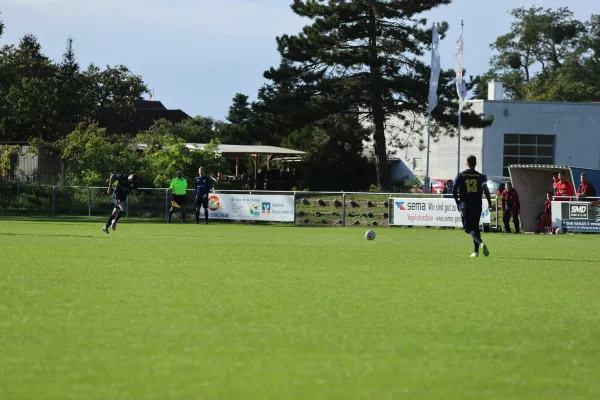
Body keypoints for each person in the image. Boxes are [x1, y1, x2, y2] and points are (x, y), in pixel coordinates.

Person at [453, 155, 492, 258]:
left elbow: (454, 189)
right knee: (475, 227)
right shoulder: (481, 176)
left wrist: (458, 203)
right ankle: (476, 252)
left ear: (467, 163)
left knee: (469, 228)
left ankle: (481, 243)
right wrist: (489, 203)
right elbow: (486, 190)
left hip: (465, 205)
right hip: (477, 205)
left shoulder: (461, 175)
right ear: (476, 163)